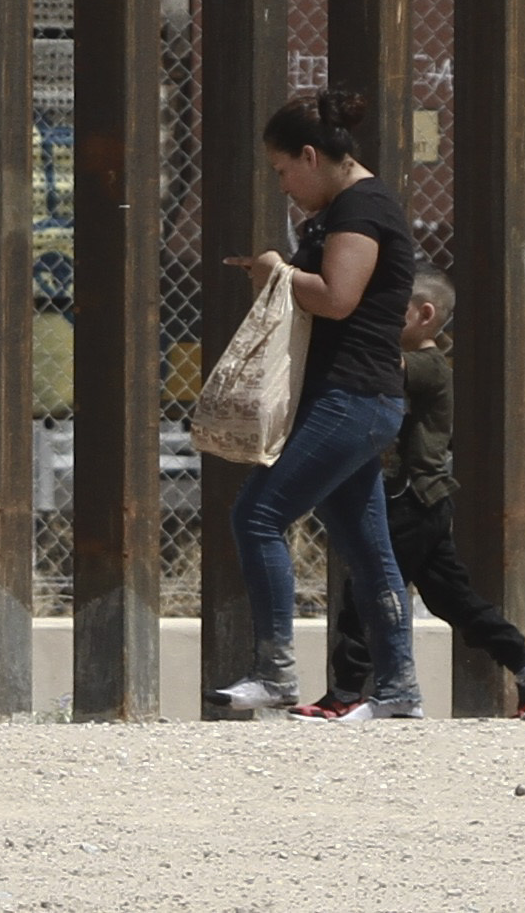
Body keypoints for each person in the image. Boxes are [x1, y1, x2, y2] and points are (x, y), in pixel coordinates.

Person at [216, 88, 421, 723]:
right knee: (367, 549)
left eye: (283, 171)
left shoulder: (362, 207)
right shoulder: (345, 209)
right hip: (354, 397)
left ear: (311, 155)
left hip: (353, 397)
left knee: (257, 515)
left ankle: (275, 671)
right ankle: (398, 690)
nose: (282, 185)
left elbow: (336, 297)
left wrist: (278, 272)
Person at [377, 272, 525, 720]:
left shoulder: (426, 364)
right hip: (421, 499)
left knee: (370, 588)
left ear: (425, 316)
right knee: (451, 599)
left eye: (392, 310)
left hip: (415, 497)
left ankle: (346, 692)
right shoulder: (413, 359)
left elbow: (379, 367)